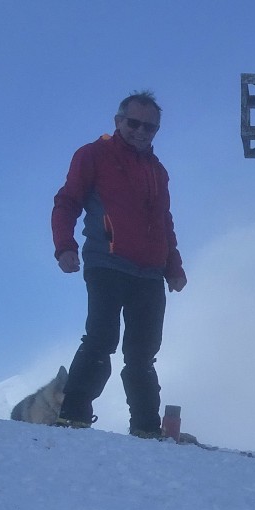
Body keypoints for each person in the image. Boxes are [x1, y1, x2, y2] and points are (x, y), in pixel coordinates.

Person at [50, 91, 187, 437]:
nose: (141, 131)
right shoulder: (93, 155)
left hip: (150, 273)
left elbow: (164, 220)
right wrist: (64, 246)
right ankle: (74, 415)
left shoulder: (158, 171)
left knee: (143, 354)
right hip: (107, 263)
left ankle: (145, 428)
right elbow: (67, 202)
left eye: (150, 127)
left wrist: (174, 266)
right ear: (118, 121)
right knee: (101, 338)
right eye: (134, 123)